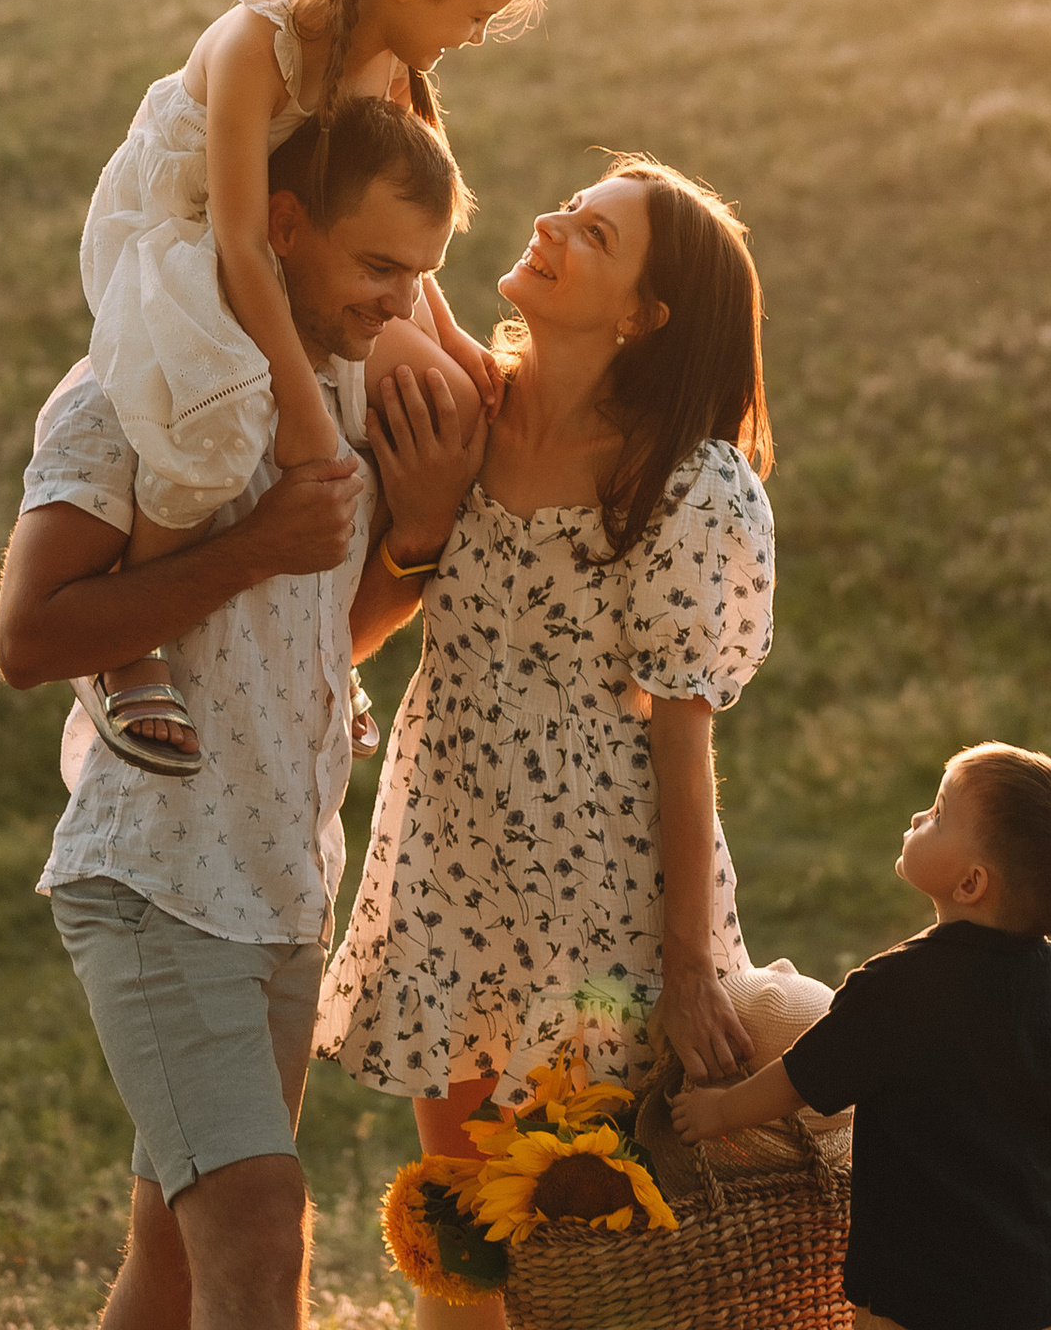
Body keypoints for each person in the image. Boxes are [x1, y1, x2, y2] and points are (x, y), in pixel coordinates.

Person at [0, 96, 487, 1330]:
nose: (398, 302)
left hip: (279, 887)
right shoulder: (137, 384)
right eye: (377, 265)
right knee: (261, 1235)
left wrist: (421, 531)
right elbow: (30, 635)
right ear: (285, 223)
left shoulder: (345, 398)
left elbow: (326, 635)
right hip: (159, 880)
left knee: (173, 1268)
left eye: (418, 275)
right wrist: (257, 542)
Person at [315, 156, 776, 1330]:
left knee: (587, 1239)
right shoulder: (459, 409)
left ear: (645, 314)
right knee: (462, 1225)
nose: (550, 224)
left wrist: (685, 969)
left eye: (595, 233)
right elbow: (352, 629)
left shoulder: (687, 482)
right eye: (570, 207)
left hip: (599, 906)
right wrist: (420, 524)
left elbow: (683, 743)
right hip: (447, 857)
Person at [74, 0, 555, 774]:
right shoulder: (259, 43)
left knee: (448, 401)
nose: (476, 36)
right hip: (184, 245)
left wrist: (455, 341)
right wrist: (301, 404)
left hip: (300, 250)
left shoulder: (390, 63)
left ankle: (328, 640)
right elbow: (238, 241)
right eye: (473, 14)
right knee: (223, 401)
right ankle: (127, 650)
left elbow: (393, 239)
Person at [672, 742, 1051, 1330]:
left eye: (938, 814)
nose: (917, 817)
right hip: (1029, 1284)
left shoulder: (898, 985)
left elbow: (802, 1078)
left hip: (915, 1283)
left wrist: (719, 1112)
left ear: (971, 883)